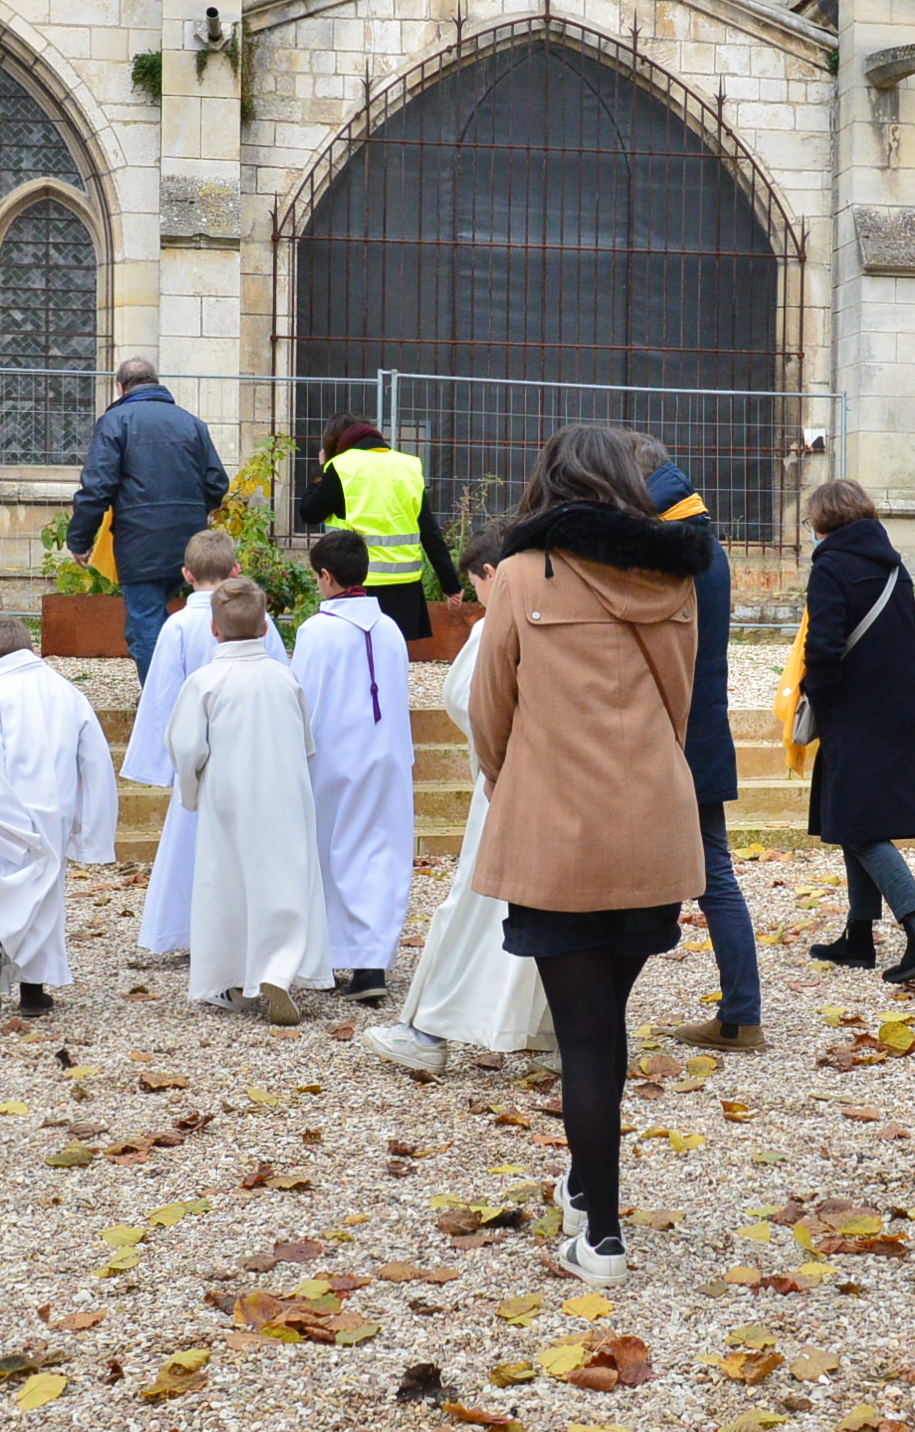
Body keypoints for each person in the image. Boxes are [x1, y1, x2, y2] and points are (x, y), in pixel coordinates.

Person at [468, 425, 714, 1287]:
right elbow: (680, 702)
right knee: (604, 1022)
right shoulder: (674, 574)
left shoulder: (520, 573)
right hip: (650, 823)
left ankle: (601, 1235)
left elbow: (490, 706)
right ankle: (584, 1187)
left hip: (556, 829)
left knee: (584, 1035)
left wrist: (513, 779)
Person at [365, 537, 550, 1077]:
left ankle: (428, 1030)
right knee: (555, 910)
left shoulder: (495, 626)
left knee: (472, 906)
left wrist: (494, 761)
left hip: (507, 784)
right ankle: (554, 1029)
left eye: (476, 586)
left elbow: (468, 700)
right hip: (567, 787)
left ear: (493, 573)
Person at [791, 478, 915, 985]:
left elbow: (823, 646)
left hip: (853, 712)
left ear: (823, 520)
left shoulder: (831, 566)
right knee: (852, 816)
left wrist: (818, 699)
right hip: (898, 708)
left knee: (859, 826)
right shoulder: (894, 565)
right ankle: (858, 935)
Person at [645, 446, 764, 1049]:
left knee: (707, 873)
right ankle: (741, 1011)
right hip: (703, 731)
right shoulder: (702, 544)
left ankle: (742, 1013)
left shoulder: (672, 553)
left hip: (675, 734)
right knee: (708, 870)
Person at [171, 575, 331, 1026]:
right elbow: (306, 743)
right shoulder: (284, 677)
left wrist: (191, 793)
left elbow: (186, 747)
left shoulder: (206, 681)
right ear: (265, 628)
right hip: (284, 790)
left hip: (228, 792)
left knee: (227, 883)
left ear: (214, 629)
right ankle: (279, 969)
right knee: (286, 877)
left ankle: (236, 980)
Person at [123, 530, 281, 967]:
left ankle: (189, 931)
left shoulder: (176, 626)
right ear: (235, 570)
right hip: (250, 751)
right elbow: (281, 679)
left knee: (189, 847)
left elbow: (163, 697)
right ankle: (245, 933)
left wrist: (166, 761)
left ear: (186, 575)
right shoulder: (259, 620)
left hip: (196, 755)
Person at [0, 613, 116, 1021]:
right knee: (45, 898)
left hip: (2, 810)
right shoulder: (67, 693)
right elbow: (95, 762)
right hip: (55, 810)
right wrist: (91, 829)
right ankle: (32, 992)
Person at [293, 527, 416, 1004]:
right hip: (388, 758)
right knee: (381, 853)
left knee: (333, 852)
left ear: (325, 577)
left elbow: (302, 699)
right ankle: (370, 963)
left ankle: (328, 954)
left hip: (334, 758)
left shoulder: (316, 631)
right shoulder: (390, 629)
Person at [64, 358, 230, 696]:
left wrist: (80, 539)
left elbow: (97, 486)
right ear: (155, 381)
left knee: (145, 625)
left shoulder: (115, 421)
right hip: (189, 542)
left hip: (139, 541)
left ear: (120, 387)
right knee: (175, 617)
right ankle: (196, 692)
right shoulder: (191, 423)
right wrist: (191, 510)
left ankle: (163, 703)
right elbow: (217, 482)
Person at [299, 416, 456, 643]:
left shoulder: (342, 466)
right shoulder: (408, 466)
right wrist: (450, 584)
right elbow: (430, 531)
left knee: (354, 652)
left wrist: (322, 469)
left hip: (354, 580)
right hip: (404, 585)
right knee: (392, 654)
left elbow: (309, 513)